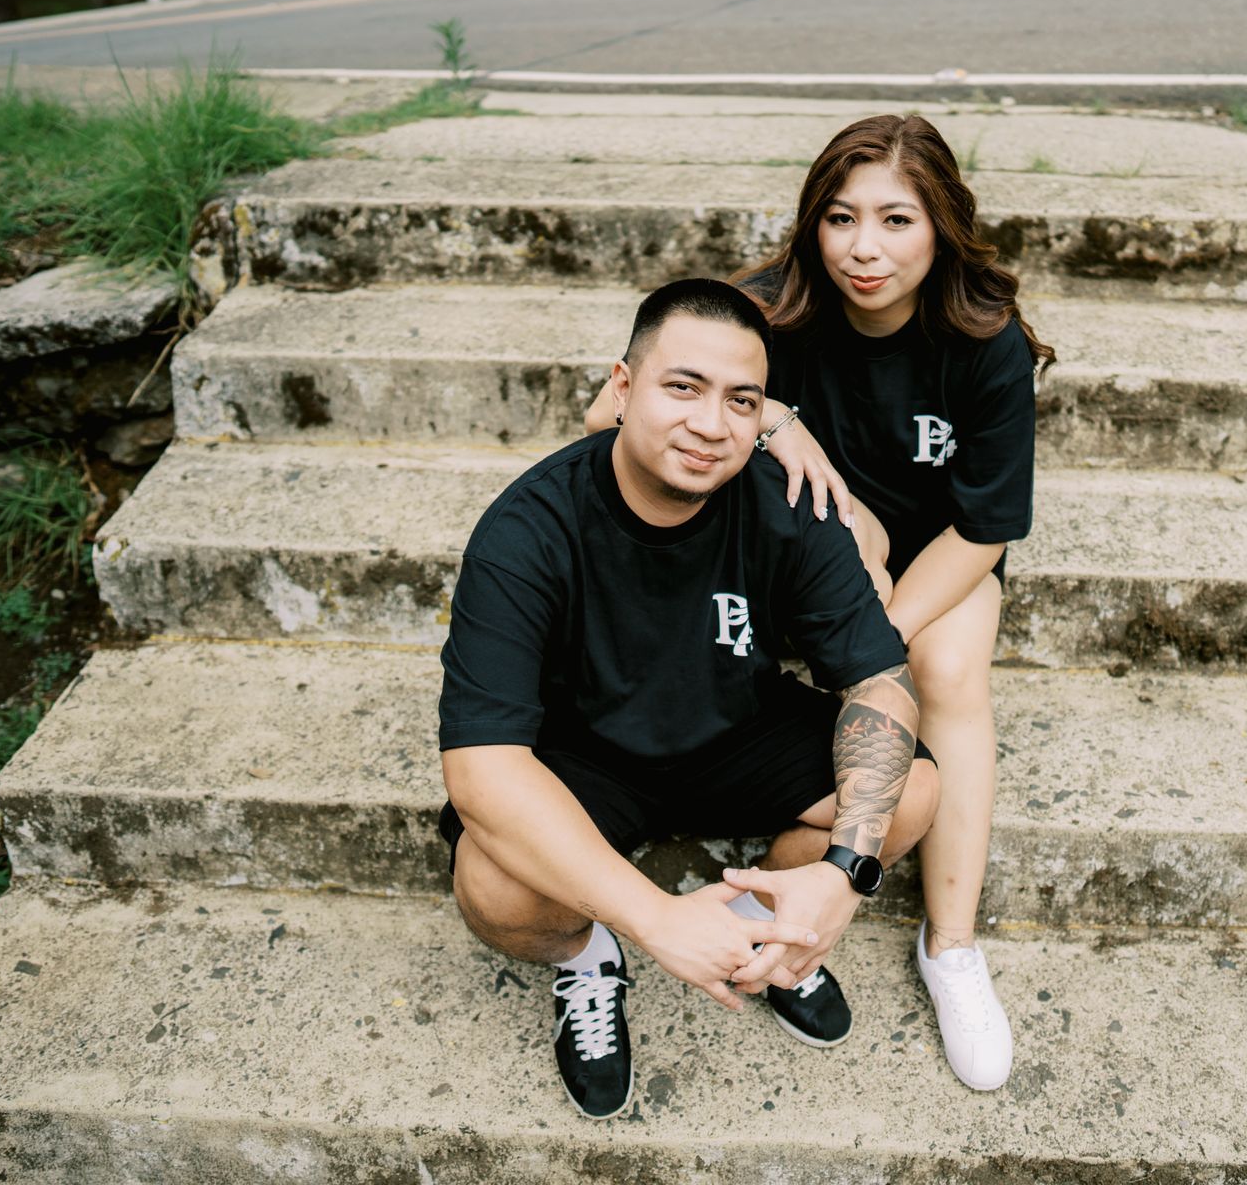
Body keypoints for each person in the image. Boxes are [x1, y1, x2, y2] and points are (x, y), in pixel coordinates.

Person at [585, 114, 1054, 1091]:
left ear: (942, 226)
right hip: (790, 550)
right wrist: (774, 418)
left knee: (946, 668)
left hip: (932, 553)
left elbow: (984, 529)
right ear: (813, 224)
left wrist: (873, 637)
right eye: (841, 218)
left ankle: (952, 945)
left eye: (896, 219)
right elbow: (605, 420)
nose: (864, 248)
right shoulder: (771, 306)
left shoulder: (984, 338)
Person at [440, 277, 941, 1120]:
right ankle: (589, 960)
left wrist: (844, 874)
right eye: (683, 387)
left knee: (912, 791)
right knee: (493, 890)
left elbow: (879, 680)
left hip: (737, 729)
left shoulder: (788, 503)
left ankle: (764, 930)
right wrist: (654, 919)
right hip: (586, 755)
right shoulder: (527, 530)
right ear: (623, 388)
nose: (712, 424)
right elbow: (481, 769)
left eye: (741, 400)